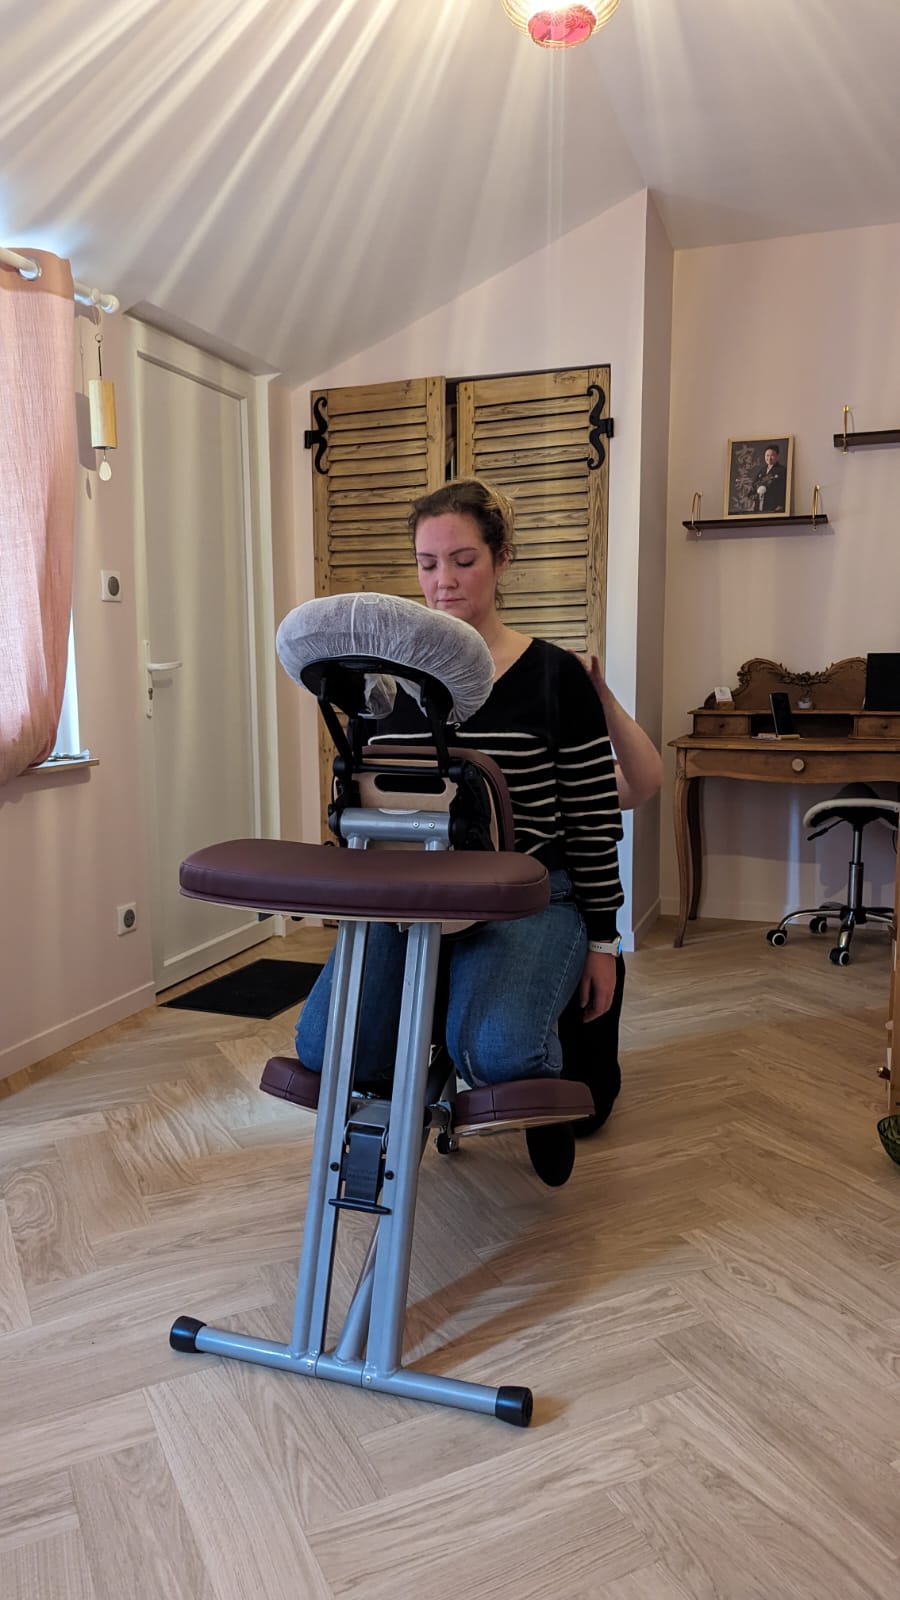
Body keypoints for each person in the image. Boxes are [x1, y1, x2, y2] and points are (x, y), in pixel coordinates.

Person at [295, 477, 625, 1185]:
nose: (442, 581)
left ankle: (538, 1090)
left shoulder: (555, 676)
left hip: (527, 896)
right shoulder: (380, 691)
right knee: (327, 1047)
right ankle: (434, 1034)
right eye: (427, 563)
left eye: (463, 560)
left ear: (501, 559)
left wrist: (604, 941)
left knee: (498, 1052)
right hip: (410, 898)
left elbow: (594, 815)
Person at [560, 655, 663, 1138]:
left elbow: (644, 782)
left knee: (588, 1111)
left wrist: (601, 698)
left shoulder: (571, 769)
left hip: (573, 924)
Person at [752, 444, 787, 513]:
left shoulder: (782, 470)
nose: (769, 458)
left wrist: (781, 504)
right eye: (767, 455)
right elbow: (754, 485)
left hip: (774, 503)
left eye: (772, 455)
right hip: (760, 503)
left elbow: (783, 489)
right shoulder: (762, 471)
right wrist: (754, 501)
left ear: (777, 456)